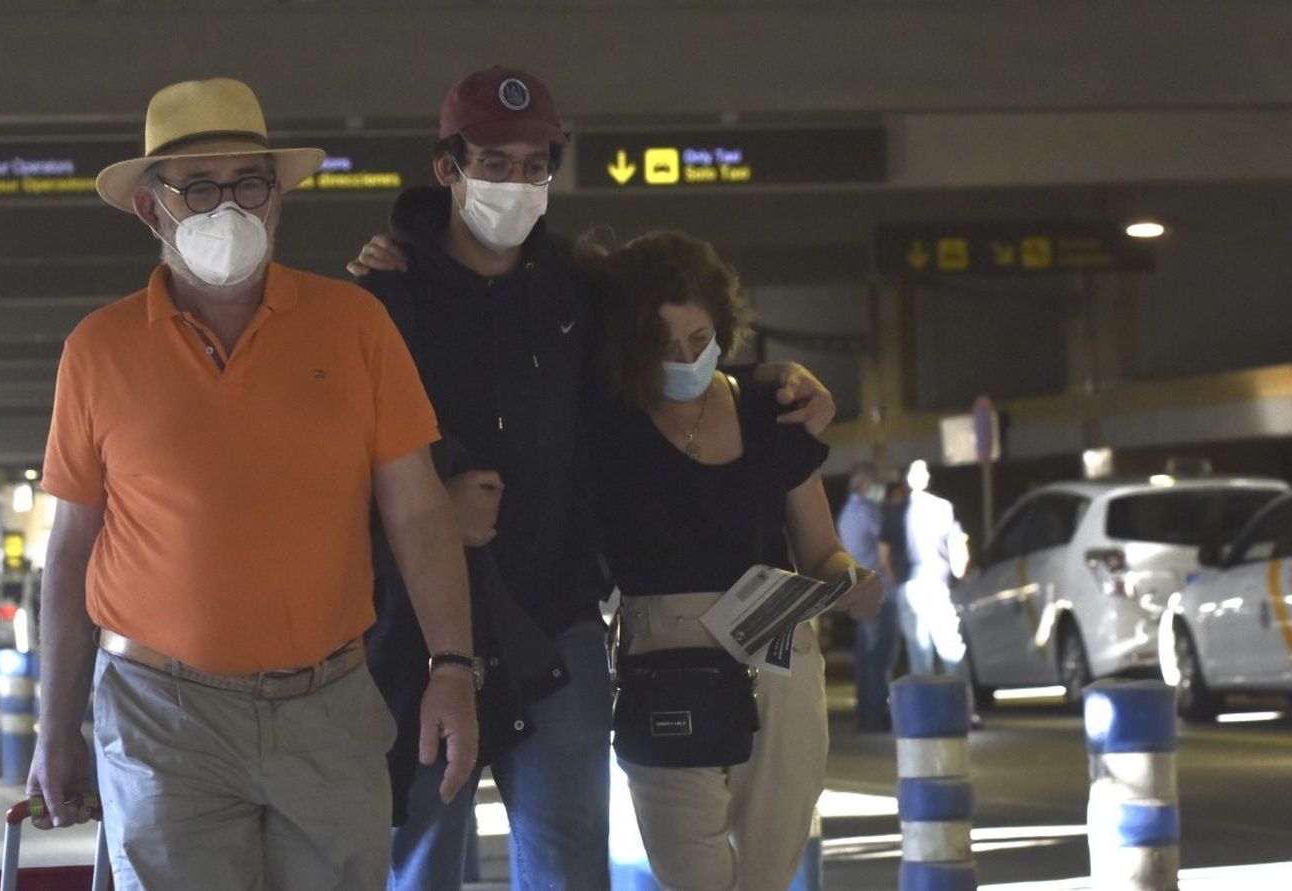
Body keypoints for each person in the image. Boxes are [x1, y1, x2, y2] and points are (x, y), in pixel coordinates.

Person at [347, 66, 840, 891]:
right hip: (420, 631)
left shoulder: (578, 288)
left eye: (534, 163)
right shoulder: (386, 298)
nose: (515, 182)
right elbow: (338, 457)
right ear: (447, 168)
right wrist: (429, 509)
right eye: (493, 163)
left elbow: (673, 339)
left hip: (557, 621)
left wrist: (775, 381)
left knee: (571, 865)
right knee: (422, 856)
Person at [26, 77, 478, 891]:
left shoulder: (355, 326)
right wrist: (53, 727)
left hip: (328, 704)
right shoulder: (98, 349)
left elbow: (418, 510)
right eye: (198, 186)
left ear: (277, 197)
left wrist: (454, 665)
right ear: (150, 208)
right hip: (160, 713)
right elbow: (70, 551)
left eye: (248, 183)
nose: (225, 207)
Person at [581, 230, 882, 891]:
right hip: (663, 659)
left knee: (770, 874)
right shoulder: (608, 421)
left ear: (723, 327)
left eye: (699, 339)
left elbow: (820, 547)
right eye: (664, 347)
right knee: (692, 872)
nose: (685, 359)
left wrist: (849, 582)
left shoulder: (767, 411)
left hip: (777, 655)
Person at [837, 462, 899, 732]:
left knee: (865, 655)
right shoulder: (867, 512)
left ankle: (866, 711)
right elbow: (888, 544)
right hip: (880, 591)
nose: (879, 488)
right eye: (875, 482)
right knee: (879, 656)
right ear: (863, 484)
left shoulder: (847, 513)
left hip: (860, 589)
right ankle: (876, 712)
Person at [898, 459, 970, 678]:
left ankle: (925, 707)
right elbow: (957, 545)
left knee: (918, 649)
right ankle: (960, 702)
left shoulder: (896, 510)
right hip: (936, 583)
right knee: (950, 646)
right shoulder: (942, 507)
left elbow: (885, 550)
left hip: (909, 585)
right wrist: (959, 572)